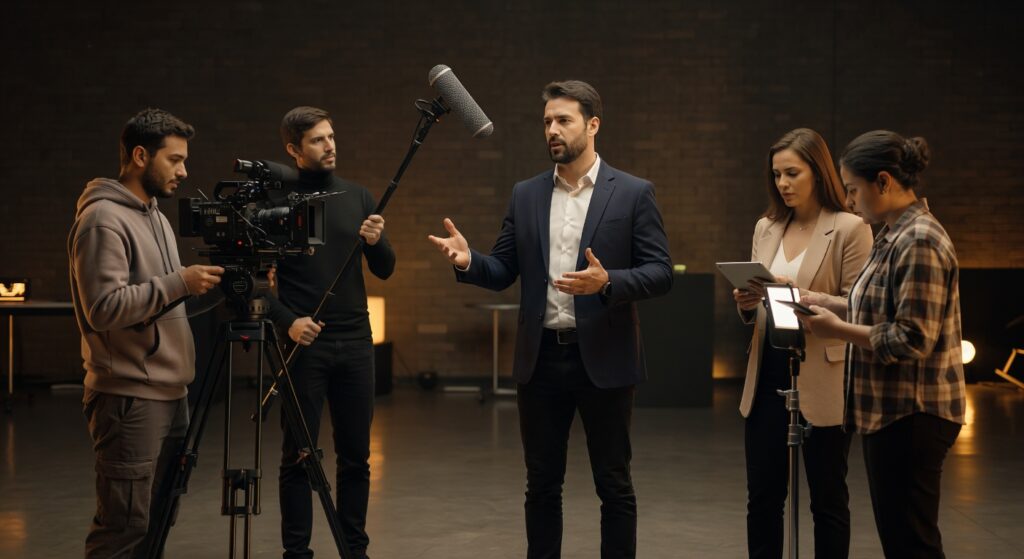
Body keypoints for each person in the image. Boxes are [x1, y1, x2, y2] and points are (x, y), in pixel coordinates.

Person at [428, 80, 672, 559]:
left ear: (593, 125)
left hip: (604, 358)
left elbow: (660, 272)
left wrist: (608, 281)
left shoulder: (633, 193)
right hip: (540, 361)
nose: (552, 130)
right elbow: (503, 270)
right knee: (541, 485)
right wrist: (467, 260)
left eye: (563, 120)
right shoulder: (526, 194)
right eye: (547, 122)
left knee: (614, 484)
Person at [799, 130, 966, 558]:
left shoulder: (919, 239)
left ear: (884, 182)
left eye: (853, 190)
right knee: (900, 539)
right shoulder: (892, 234)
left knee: (912, 543)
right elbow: (876, 307)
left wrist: (836, 330)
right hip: (890, 412)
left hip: (914, 413)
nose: (849, 201)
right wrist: (824, 302)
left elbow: (911, 337)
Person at [68, 108, 225, 558]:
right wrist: (180, 282)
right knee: (124, 528)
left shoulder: (155, 216)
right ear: (140, 156)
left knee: (156, 522)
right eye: (175, 160)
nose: (184, 171)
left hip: (171, 394)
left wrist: (223, 285)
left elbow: (166, 304)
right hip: (130, 398)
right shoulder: (102, 219)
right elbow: (104, 309)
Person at [732, 128, 872, 558]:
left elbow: (859, 305)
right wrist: (747, 302)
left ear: (818, 172)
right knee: (763, 497)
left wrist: (802, 296)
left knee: (827, 498)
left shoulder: (850, 228)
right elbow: (756, 305)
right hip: (767, 370)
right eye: (777, 175)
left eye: (792, 173)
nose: (783, 183)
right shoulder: (766, 226)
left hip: (823, 372)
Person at [268, 106, 395, 559]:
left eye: (331, 136)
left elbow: (385, 268)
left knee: (355, 458)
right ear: (293, 149)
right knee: (298, 455)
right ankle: (297, 553)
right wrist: (289, 321)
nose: (330, 145)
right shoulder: (275, 203)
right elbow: (254, 286)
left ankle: (354, 549)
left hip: (357, 344)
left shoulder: (358, 196)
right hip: (304, 345)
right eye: (318, 139)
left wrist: (377, 242)